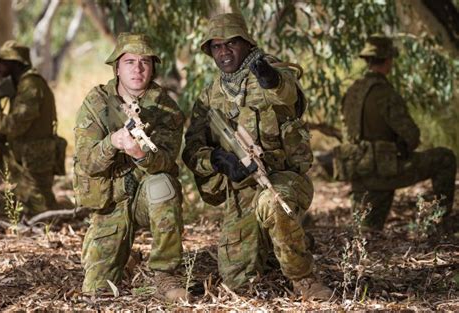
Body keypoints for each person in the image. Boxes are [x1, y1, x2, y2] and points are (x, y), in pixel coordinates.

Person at [182, 13, 332, 301]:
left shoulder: (269, 70)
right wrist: (217, 160)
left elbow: (293, 99)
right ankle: (286, 242)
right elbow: (192, 149)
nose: (224, 52)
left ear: (247, 44)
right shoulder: (210, 96)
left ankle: (304, 279)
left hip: (282, 179)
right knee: (238, 281)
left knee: (273, 204)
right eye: (216, 47)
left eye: (231, 44)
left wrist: (273, 80)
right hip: (242, 191)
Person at [73, 33, 188, 302]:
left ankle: (165, 273)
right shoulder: (96, 104)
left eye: (144, 62)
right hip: (111, 201)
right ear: (117, 67)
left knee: (162, 184)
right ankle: (127, 258)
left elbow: (166, 160)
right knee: (95, 291)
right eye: (130, 62)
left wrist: (140, 154)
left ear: (153, 67)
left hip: (146, 198)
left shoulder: (166, 109)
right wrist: (112, 142)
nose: (137, 69)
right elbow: (86, 160)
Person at [336, 34, 456, 231]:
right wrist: (401, 148)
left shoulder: (352, 91)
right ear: (388, 60)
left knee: (367, 231)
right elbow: (411, 135)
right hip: (384, 172)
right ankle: (440, 224)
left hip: (358, 175)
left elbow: (347, 132)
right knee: (445, 158)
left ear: (367, 60)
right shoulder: (384, 92)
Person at [0, 40, 60, 216]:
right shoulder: (20, 84)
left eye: (2, 61)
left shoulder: (31, 86)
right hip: (23, 152)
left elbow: (14, 126)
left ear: (14, 63)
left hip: (33, 160)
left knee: (41, 210)